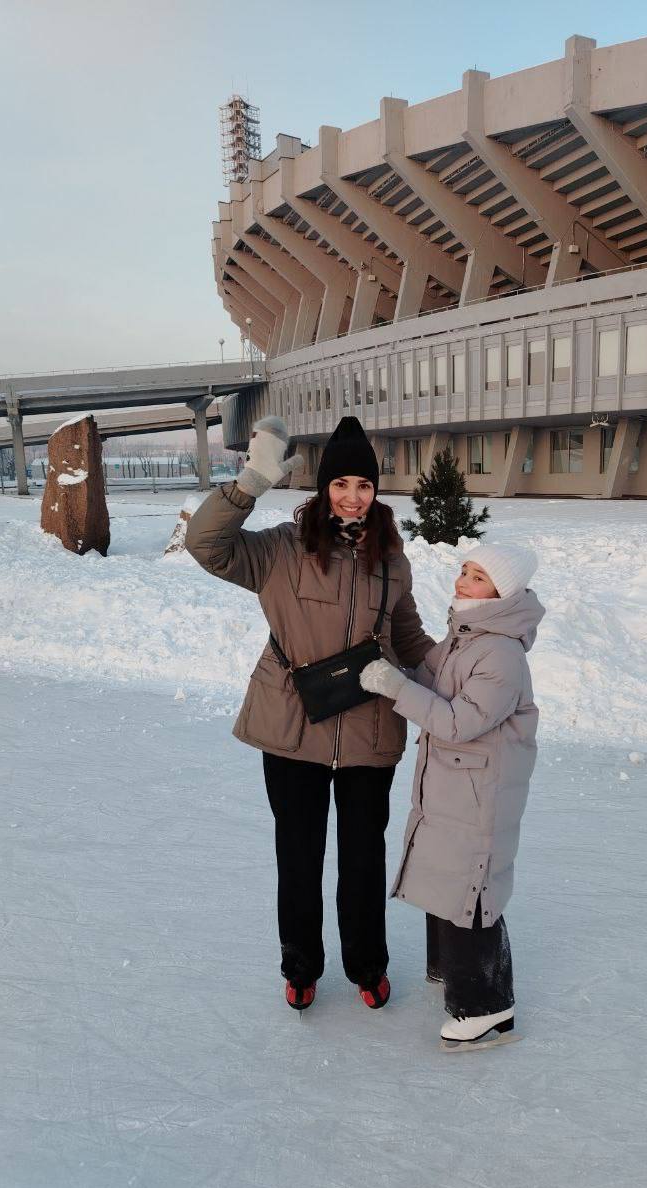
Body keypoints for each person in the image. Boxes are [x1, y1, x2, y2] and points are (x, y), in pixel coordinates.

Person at [185, 415, 434, 1012]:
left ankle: (367, 965)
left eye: (365, 486)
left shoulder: (392, 562)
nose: (353, 497)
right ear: (324, 489)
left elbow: (410, 638)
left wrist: (467, 677)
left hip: (370, 727)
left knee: (363, 854)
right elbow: (206, 545)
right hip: (293, 724)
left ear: (377, 494)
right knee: (298, 853)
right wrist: (249, 482)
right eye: (342, 484)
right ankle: (300, 965)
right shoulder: (279, 550)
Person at [360, 544, 543, 1050]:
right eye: (464, 571)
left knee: (470, 889)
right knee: (445, 875)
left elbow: (459, 721)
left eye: (479, 576)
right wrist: (387, 666)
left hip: (480, 791)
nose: (463, 581)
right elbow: (429, 681)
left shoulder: (501, 653)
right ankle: (451, 972)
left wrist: (394, 686)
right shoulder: (465, 636)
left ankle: (487, 1007)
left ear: (502, 593)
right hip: (453, 784)